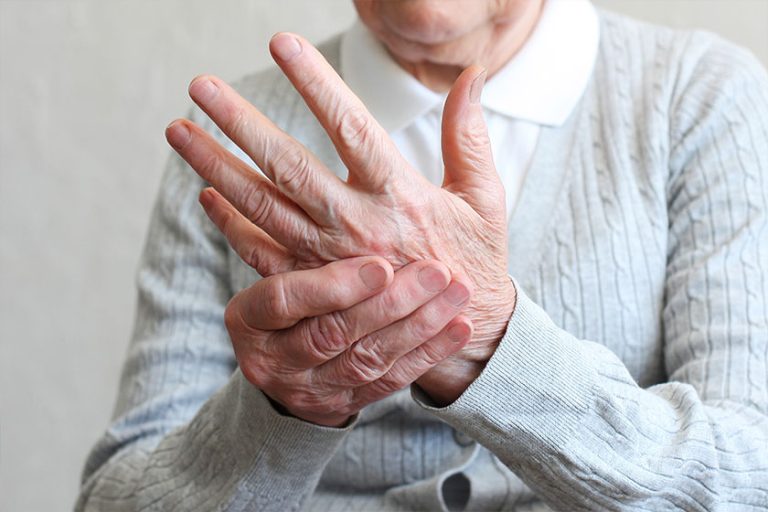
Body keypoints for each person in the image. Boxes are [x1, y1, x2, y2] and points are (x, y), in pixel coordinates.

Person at [77, 0, 768, 510]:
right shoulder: (237, 141)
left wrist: (491, 345)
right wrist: (282, 410)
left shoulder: (699, 98)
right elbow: (116, 498)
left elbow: (748, 483)